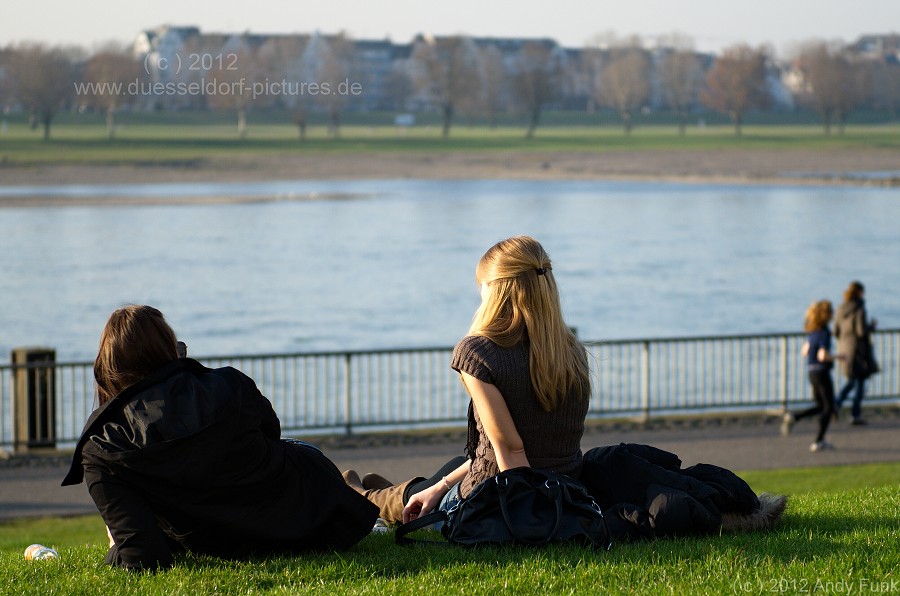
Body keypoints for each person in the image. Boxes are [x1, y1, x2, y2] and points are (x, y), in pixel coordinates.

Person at [344, 236, 785, 539]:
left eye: (482, 289)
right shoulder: (568, 350)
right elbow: (523, 447)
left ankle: (353, 490)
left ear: (497, 292)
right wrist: (439, 490)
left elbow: (512, 454)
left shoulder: (477, 353)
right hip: (567, 487)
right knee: (432, 483)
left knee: (396, 502)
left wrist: (522, 522)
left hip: (503, 495)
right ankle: (380, 487)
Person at [62, 305, 378, 570]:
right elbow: (272, 437)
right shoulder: (228, 384)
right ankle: (370, 492)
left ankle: (372, 491)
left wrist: (121, 536)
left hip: (224, 535)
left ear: (107, 370)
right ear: (170, 350)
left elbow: (143, 557)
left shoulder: (100, 447)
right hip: (307, 517)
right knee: (304, 453)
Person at [781, 300, 842, 452]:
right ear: (826, 315)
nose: (833, 315)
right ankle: (819, 441)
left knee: (821, 405)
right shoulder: (824, 332)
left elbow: (805, 351)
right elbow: (823, 355)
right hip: (822, 372)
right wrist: (838, 357)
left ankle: (795, 417)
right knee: (828, 407)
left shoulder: (812, 331)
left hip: (812, 372)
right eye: (831, 312)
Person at [834, 281, 878, 425]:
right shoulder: (859, 308)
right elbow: (861, 331)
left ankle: (837, 404)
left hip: (844, 350)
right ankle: (855, 414)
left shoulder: (841, 308)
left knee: (852, 381)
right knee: (859, 382)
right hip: (858, 351)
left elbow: (835, 331)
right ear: (859, 292)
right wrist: (871, 327)